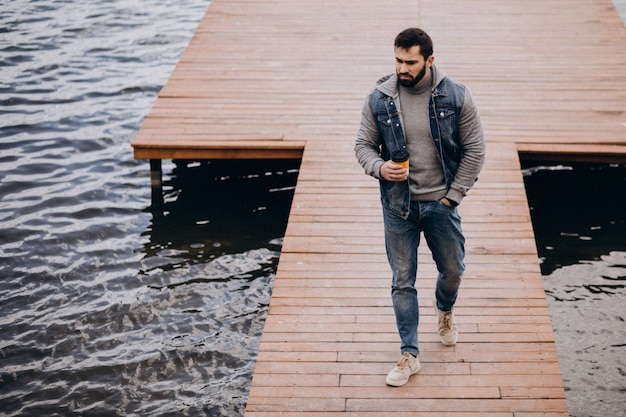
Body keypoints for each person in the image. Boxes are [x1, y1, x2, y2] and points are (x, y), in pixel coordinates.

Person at [354, 27, 486, 387]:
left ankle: (444, 310)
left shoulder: (456, 96)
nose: (402, 69)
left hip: (441, 205)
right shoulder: (379, 99)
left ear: (429, 60)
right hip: (398, 208)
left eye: (410, 62)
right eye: (397, 60)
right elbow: (363, 146)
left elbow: (475, 151)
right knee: (402, 282)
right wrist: (379, 168)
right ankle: (409, 354)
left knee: (454, 270)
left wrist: (451, 197)